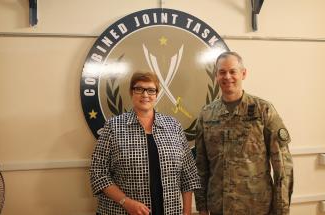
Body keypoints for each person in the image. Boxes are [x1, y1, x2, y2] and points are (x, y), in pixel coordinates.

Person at [194, 51, 294, 215]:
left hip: (257, 207)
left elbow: (283, 166)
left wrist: (281, 210)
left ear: (243, 73)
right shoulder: (206, 114)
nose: (227, 77)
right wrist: (202, 207)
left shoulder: (263, 111)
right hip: (219, 207)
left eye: (233, 71)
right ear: (216, 76)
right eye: (222, 72)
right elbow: (201, 166)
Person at [90, 71, 200, 215]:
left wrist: (186, 213)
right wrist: (126, 202)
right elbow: (98, 173)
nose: (145, 95)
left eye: (151, 90)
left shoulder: (174, 126)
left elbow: (189, 175)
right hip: (121, 211)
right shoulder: (113, 126)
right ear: (131, 92)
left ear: (157, 94)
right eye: (139, 89)